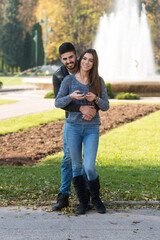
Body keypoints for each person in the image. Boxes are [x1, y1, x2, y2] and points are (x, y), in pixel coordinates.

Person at [55, 48, 110, 214]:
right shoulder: (68, 80)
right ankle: (83, 203)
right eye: (85, 59)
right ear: (81, 60)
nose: (87, 62)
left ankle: (96, 199)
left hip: (92, 128)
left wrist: (96, 99)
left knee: (89, 167)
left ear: (94, 63)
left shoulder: (98, 81)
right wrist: (71, 97)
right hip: (73, 127)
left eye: (90, 60)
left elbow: (106, 106)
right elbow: (58, 102)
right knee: (76, 166)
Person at [52, 43, 97, 212]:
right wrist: (80, 108)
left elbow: (97, 92)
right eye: (65, 59)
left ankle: (85, 195)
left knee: (86, 161)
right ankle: (63, 196)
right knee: (68, 158)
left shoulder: (86, 67)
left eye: (71, 57)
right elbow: (61, 101)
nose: (69, 61)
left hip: (89, 121)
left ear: (76, 55)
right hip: (71, 120)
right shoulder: (59, 75)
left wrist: (92, 110)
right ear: (61, 59)